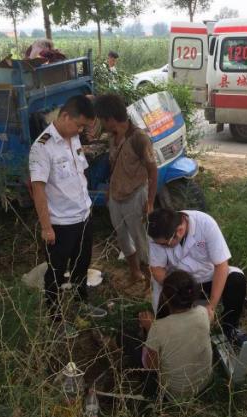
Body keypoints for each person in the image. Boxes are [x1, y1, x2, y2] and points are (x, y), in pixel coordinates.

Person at [28, 95, 101, 323]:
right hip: (61, 224)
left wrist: (87, 209)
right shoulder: (42, 147)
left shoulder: (73, 138)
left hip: (83, 215)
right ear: (65, 116)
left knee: (82, 263)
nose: (80, 130)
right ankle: (55, 317)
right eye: (79, 125)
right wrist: (46, 227)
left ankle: (81, 302)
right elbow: (38, 190)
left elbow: (80, 175)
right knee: (56, 272)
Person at [147, 209, 247, 345]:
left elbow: (221, 265)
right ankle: (172, 337)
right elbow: (157, 269)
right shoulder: (157, 233)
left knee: (237, 280)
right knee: (162, 316)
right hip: (178, 281)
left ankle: (230, 328)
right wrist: (175, 292)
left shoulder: (205, 223)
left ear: (180, 231)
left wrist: (211, 306)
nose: (162, 246)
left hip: (207, 275)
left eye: (165, 244)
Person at [94, 94, 158, 284]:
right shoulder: (112, 138)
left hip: (135, 195)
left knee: (141, 240)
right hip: (116, 196)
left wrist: (151, 202)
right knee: (122, 238)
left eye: (101, 119)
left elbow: (153, 172)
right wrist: (109, 191)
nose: (101, 124)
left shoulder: (139, 138)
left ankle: (150, 280)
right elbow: (114, 167)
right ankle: (134, 272)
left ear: (110, 119)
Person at [138, 270, 213, 400]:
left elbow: (151, 366)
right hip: (204, 383)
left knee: (129, 341)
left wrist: (150, 329)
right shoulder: (203, 312)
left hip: (176, 394)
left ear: (166, 298)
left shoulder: (158, 328)